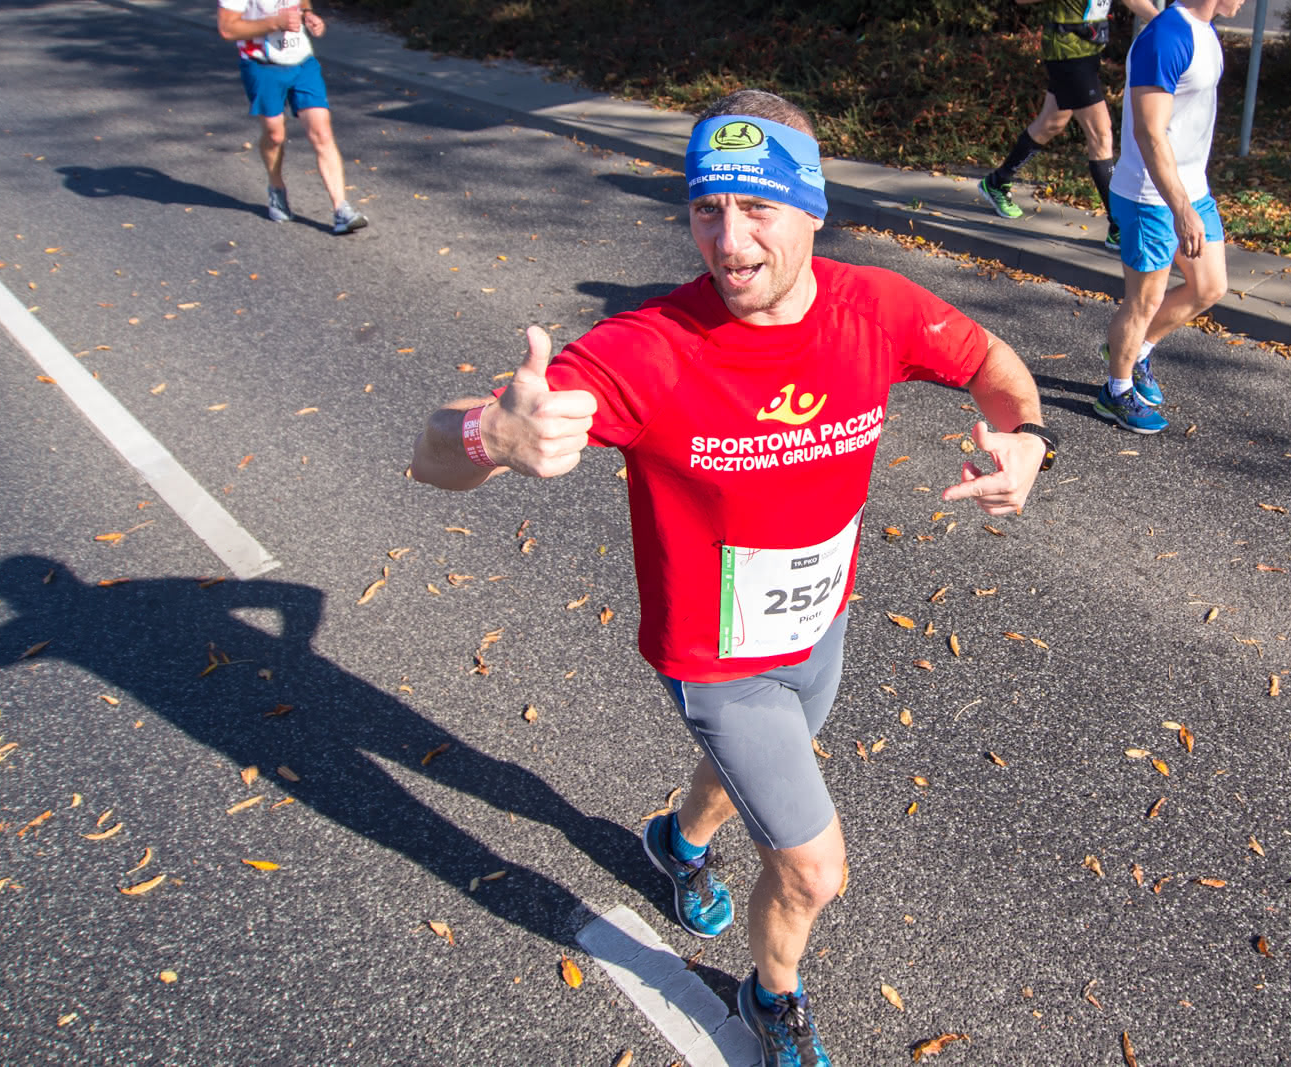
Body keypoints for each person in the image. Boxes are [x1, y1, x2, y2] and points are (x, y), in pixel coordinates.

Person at [410, 89, 1055, 1066]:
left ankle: (674, 840)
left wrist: (1027, 439)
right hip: (715, 658)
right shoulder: (648, 350)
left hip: (820, 622)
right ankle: (769, 994)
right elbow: (431, 454)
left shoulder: (875, 310)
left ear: (812, 209)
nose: (728, 236)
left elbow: (992, 361)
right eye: (707, 206)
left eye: (756, 206)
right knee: (810, 867)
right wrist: (486, 434)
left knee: (761, 766)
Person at [1096, 0, 1243, 433]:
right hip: (1151, 195)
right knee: (1144, 301)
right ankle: (1116, 391)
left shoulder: (1204, 29)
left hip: (1192, 187)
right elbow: (1148, 131)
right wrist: (1179, 206)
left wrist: (1188, 199)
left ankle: (1135, 352)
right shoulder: (1165, 37)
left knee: (1209, 286)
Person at [978, 0, 1159, 251]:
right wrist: (1161, 20)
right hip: (1067, 53)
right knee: (1100, 134)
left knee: (1051, 123)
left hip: (1086, 51)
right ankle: (1118, 226)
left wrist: (1161, 19)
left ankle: (997, 181)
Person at [216, 0, 368, 234]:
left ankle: (341, 209)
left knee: (322, 132)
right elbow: (228, 28)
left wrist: (307, 13)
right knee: (274, 135)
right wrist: (275, 22)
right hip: (262, 65)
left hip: (302, 62)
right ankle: (276, 188)